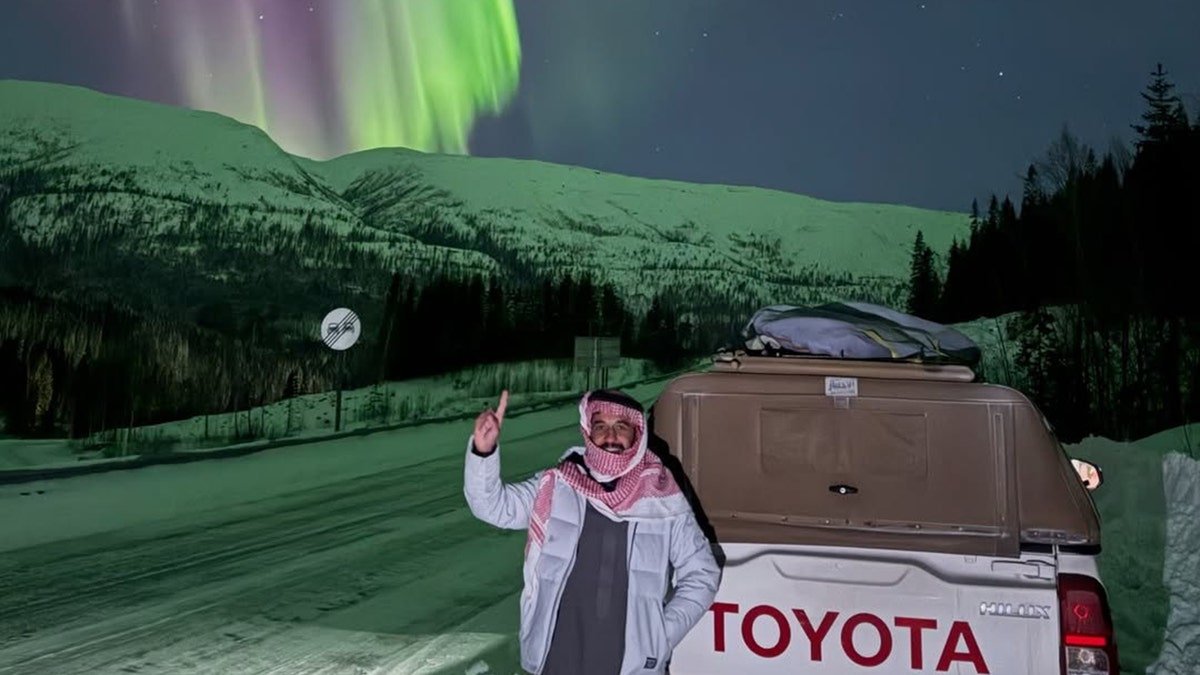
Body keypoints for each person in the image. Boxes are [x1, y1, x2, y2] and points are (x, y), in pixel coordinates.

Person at [464, 388, 720, 675]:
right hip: (557, 656)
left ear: (637, 433)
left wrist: (659, 635)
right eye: (600, 427)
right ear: (588, 431)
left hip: (628, 665)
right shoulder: (558, 485)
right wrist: (482, 452)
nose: (610, 437)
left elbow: (702, 575)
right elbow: (493, 507)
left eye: (620, 427)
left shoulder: (663, 499)